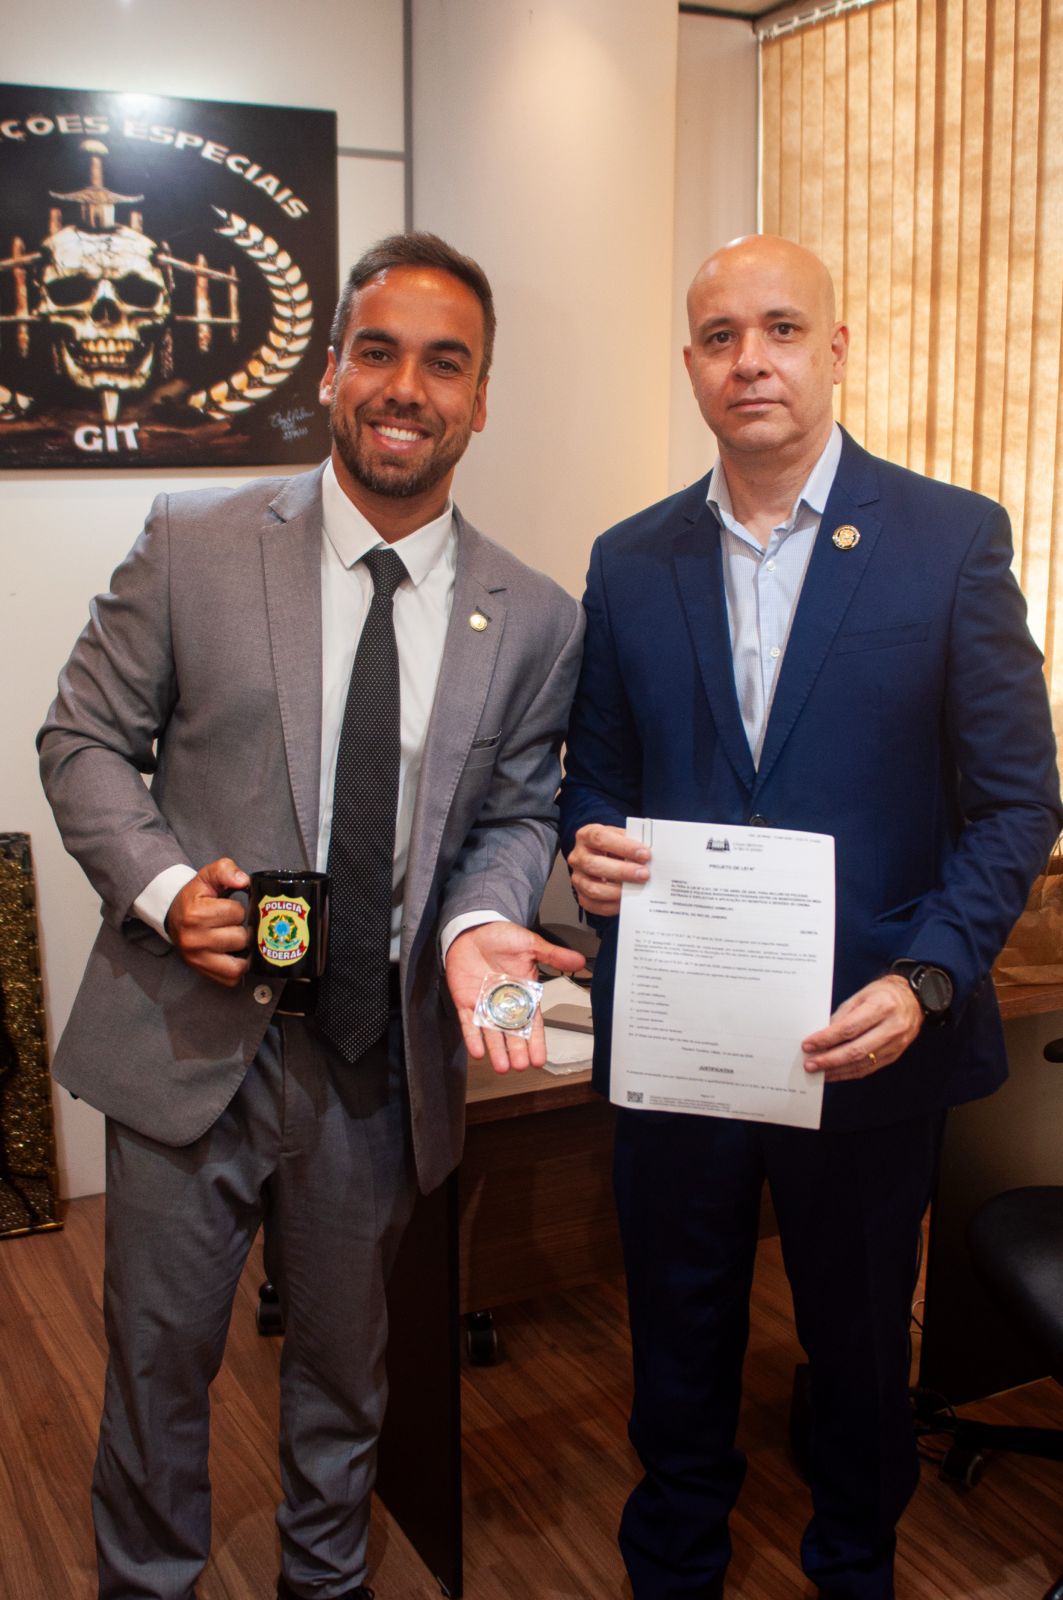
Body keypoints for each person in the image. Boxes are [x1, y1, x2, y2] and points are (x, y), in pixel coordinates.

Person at [39, 231, 584, 1600]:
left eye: (445, 364)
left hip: (375, 1064)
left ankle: (325, 1585)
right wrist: (167, 890)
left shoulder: (534, 618)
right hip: (189, 1044)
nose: (407, 388)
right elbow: (82, 741)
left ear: (480, 398)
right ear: (330, 369)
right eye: (379, 352)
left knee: (347, 1380)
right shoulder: (195, 544)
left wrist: (478, 923)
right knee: (158, 1374)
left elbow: (516, 817)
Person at [559, 234, 1061, 1600]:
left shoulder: (950, 539)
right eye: (721, 336)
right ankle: (672, 1567)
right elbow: (595, 780)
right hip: (683, 1046)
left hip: (867, 1038)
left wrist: (927, 980)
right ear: (691, 366)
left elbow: (1018, 803)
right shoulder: (630, 560)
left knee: (857, 1349)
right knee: (676, 1342)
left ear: (835, 348)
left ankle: (855, 1567)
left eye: (782, 328)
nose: (752, 360)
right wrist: (588, 846)